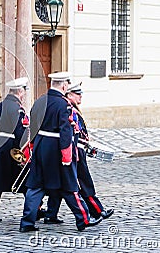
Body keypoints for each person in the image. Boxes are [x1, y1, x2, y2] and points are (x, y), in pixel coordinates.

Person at [20, 71, 102, 232]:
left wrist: (32, 146)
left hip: (41, 146)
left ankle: (27, 222)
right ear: (64, 86)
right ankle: (83, 219)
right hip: (57, 149)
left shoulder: (39, 102)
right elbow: (66, 132)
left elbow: (32, 127)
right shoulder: (64, 105)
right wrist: (67, 155)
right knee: (69, 185)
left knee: (36, 186)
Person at [0, 77, 30, 222]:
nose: (23, 95)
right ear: (19, 91)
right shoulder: (18, 109)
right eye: (23, 92)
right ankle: (34, 208)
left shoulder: (0, 106)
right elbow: (20, 132)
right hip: (12, 147)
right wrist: (21, 152)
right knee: (26, 180)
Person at [66, 82, 114, 220]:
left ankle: (51, 213)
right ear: (69, 95)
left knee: (64, 187)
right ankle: (98, 211)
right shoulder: (69, 109)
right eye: (77, 94)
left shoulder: (73, 109)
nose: (81, 96)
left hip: (77, 148)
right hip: (75, 150)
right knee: (84, 182)